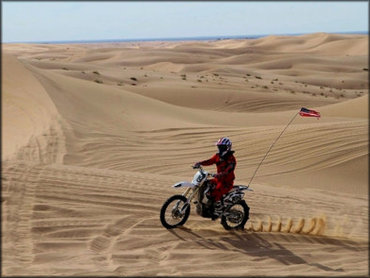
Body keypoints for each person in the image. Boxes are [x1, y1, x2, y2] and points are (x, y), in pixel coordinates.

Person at [193, 137, 236, 218]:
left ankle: (212, 212)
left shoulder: (231, 159)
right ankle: (201, 203)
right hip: (217, 180)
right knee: (203, 184)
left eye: (221, 147)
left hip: (226, 182)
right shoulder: (217, 156)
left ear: (227, 148)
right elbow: (210, 161)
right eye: (219, 147)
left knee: (213, 193)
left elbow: (229, 170)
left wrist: (220, 174)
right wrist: (199, 163)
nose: (220, 149)